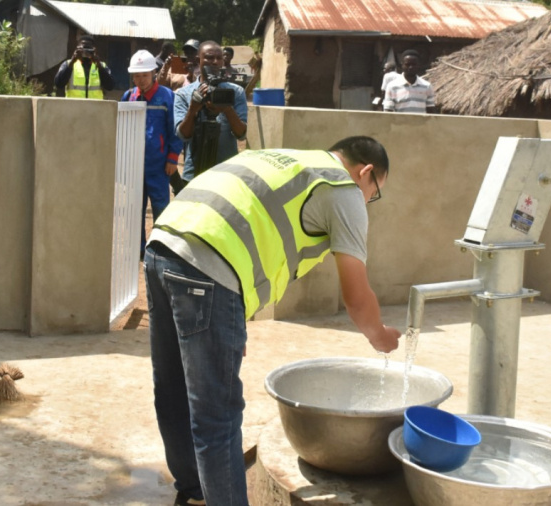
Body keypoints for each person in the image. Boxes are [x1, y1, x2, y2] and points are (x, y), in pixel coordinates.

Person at [144, 136, 401, 505]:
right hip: (209, 264)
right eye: (374, 193)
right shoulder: (343, 188)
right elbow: (357, 298)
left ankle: (194, 493)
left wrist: (232, 319)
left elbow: (246, 221)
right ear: (366, 172)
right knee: (217, 412)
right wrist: (379, 335)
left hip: (163, 245)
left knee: (172, 389)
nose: (367, 202)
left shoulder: (289, 159)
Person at [120, 50, 182, 257]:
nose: (140, 80)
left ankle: (160, 248)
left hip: (159, 166)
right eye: (136, 76)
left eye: (144, 75)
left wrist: (173, 158)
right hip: (134, 165)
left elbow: (176, 129)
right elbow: (122, 128)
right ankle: (138, 249)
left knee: (161, 207)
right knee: (135, 208)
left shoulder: (167, 97)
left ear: (153, 73)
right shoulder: (129, 97)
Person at [173, 40, 247, 183]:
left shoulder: (235, 92)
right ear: (197, 60)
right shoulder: (183, 94)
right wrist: (193, 108)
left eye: (219, 58)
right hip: (194, 172)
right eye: (209, 57)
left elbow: (241, 134)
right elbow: (183, 135)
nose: (215, 62)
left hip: (226, 172)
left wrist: (226, 108)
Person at [54, 34, 114, 99]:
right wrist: (72, 61)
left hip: (95, 107)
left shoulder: (101, 65)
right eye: (83, 49)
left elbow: (110, 86)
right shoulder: (68, 64)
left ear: (94, 50)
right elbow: (59, 84)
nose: (86, 52)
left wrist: (98, 64)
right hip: (74, 107)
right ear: (77, 49)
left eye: (89, 49)